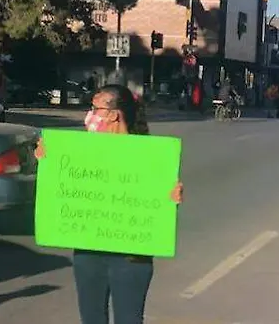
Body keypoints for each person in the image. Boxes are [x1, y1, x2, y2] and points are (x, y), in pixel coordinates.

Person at [35, 85, 184, 324]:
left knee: (129, 319)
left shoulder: (150, 156)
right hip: (89, 253)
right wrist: (47, 160)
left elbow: (155, 206)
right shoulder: (78, 152)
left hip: (131, 257)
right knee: (91, 318)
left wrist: (172, 198)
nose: (89, 116)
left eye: (95, 109)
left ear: (114, 114)